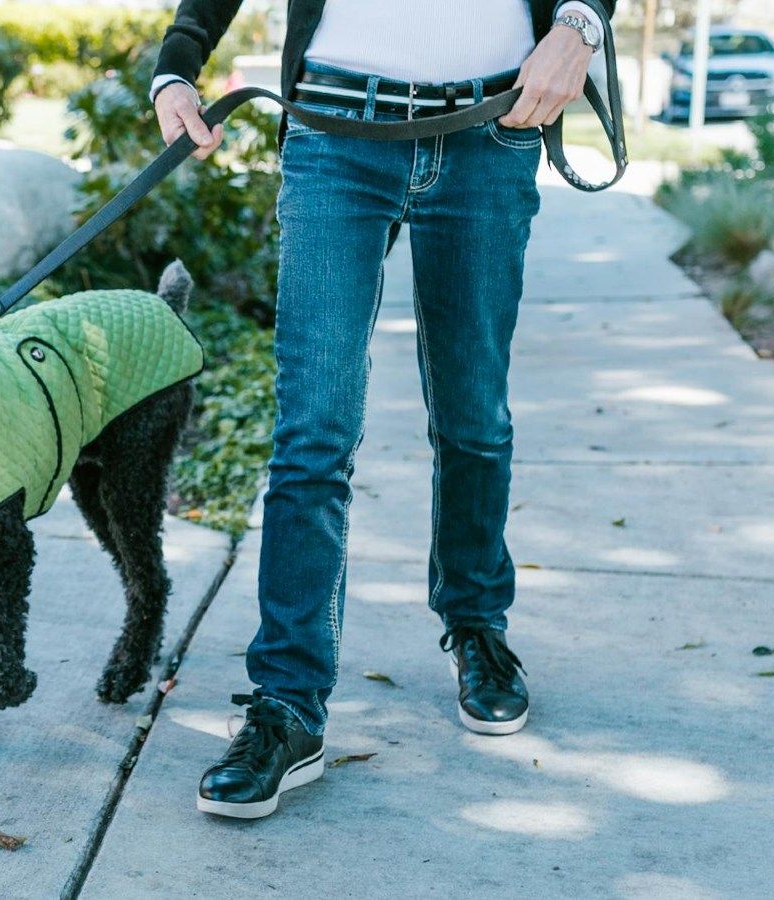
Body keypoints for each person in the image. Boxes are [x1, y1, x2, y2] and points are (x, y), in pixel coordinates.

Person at [150, 0, 615, 819]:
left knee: (475, 419)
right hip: (335, 133)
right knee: (312, 437)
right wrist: (178, 62)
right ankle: (287, 704)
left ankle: (477, 626)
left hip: (491, 128)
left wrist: (577, 27)